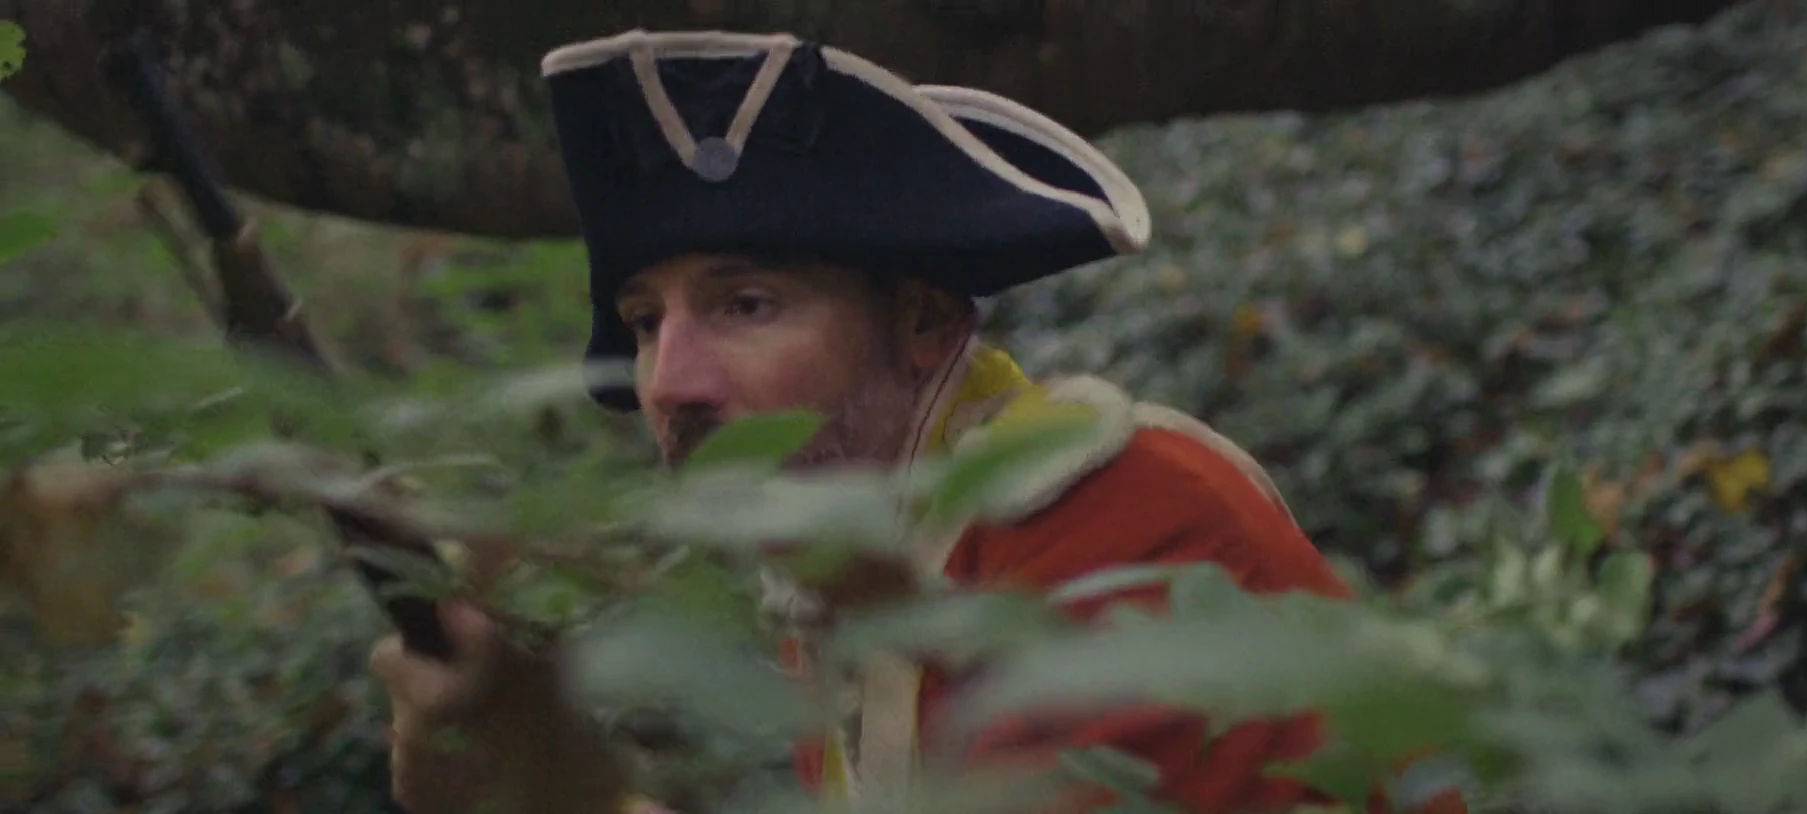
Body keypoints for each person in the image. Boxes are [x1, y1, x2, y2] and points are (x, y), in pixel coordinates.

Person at [368, 28, 1467, 814]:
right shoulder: (860, 580)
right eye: (647, 323)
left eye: (746, 304)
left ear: (928, 321)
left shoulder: (1125, 525)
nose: (670, 382)